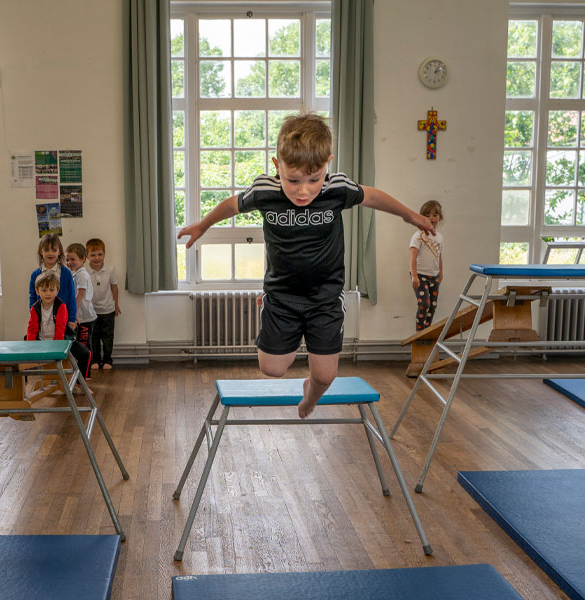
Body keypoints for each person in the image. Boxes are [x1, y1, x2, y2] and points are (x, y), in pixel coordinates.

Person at [178, 113, 435, 418]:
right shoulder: (265, 191)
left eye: (314, 179)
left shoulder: (336, 188)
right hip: (282, 294)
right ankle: (269, 307)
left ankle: (309, 398)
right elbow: (232, 204)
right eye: (293, 180)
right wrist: (203, 225)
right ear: (277, 166)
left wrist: (409, 215)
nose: (304, 191)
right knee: (272, 368)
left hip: (325, 297)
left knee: (325, 376)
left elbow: (374, 197)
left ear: (328, 163)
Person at [26, 271, 92, 382]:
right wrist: (31, 348)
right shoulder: (35, 308)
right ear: (37, 291)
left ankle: (79, 382)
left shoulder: (61, 306)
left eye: (51, 290)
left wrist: (56, 349)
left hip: (61, 340)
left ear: (57, 291)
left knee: (86, 354)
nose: (48, 294)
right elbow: (32, 329)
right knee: (25, 345)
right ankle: (29, 381)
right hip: (41, 340)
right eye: (44, 290)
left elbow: (60, 328)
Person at [85, 238, 121, 370]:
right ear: (87, 256)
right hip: (91, 311)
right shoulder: (85, 272)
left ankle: (107, 360)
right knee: (93, 337)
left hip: (108, 309)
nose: (96, 258)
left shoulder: (110, 269)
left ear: (104, 254)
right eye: (93, 255)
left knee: (107, 337)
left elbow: (114, 287)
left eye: (100, 254)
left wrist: (116, 305)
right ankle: (95, 360)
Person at [410, 200, 444, 331]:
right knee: (424, 303)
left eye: (435, 215)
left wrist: (441, 273)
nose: (431, 218)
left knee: (433, 305)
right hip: (420, 275)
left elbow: (439, 256)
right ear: (421, 217)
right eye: (427, 215)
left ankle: (427, 330)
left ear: (439, 217)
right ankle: (419, 330)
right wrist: (414, 276)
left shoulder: (439, 237)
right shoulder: (418, 236)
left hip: (434, 276)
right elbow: (412, 256)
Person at [28, 234, 77, 326]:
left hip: (62, 321)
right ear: (41, 252)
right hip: (42, 321)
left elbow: (72, 297)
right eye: (46, 250)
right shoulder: (35, 275)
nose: (50, 253)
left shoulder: (66, 273)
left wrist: (72, 319)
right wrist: (34, 317)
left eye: (54, 250)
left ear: (59, 252)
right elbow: (32, 297)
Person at [66, 243, 97, 379]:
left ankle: (85, 375)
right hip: (80, 316)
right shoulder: (76, 274)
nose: (69, 262)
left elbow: (80, 294)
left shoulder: (82, 275)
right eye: (67, 259)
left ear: (83, 259)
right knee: (79, 345)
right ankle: (80, 373)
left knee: (83, 347)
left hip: (84, 317)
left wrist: (73, 314)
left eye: (73, 259)